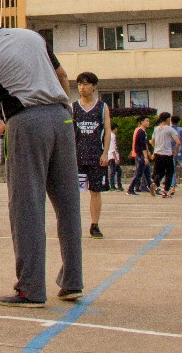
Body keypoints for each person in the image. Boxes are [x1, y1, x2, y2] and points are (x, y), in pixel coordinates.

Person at [0, 2, 82, 308]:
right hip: (63, 117)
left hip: (27, 119)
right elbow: (63, 75)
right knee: (68, 204)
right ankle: (72, 282)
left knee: (26, 206)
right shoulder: (32, 36)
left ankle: (31, 288)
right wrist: (63, 110)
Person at [71, 71, 110, 238]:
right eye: (80, 84)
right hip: (77, 157)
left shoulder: (102, 107)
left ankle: (95, 224)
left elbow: (107, 131)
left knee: (95, 191)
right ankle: (71, 225)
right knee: (73, 192)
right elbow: (68, 133)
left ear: (94, 86)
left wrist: (105, 153)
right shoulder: (73, 107)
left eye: (86, 84)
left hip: (95, 156)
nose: (82, 87)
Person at [149, 113, 180, 198]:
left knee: (159, 172)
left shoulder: (156, 129)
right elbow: (178, 142)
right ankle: (165, 191)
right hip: (167, 154)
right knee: (169, 172)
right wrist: (175, 150)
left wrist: (155, 150)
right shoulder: (170, 129)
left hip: (158, 153)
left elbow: (152, 141)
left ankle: (155, 183)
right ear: (167, 119)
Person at [127, 115, 152, 196]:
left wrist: (148, 152)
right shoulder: (141, 131)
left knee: (147, 173)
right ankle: (130, 189)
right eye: (146, 121)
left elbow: (143, 143)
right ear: (141, 122)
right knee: (139, 173)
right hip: (140, 155)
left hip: (140, 154)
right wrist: (145, 157)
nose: (148, 123)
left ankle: (152, 188)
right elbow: (142, 145)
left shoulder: (139, 130)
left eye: (148, 121)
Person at [171, 115, 182, 195]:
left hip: (171, 151)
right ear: (179, 122)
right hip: (181, 151)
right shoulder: (181, 129)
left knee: (172, 170)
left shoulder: (169, 129)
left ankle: (173, 187)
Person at [106, 122, 122, 191]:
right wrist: (116, 158)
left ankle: (116, 185)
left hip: (112, 156)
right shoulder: (112, 136)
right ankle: (112, 185)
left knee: (118, 171)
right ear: (115, 128)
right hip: (112, 156)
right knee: (113, 171)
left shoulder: (111, 135)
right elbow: (112, 148)